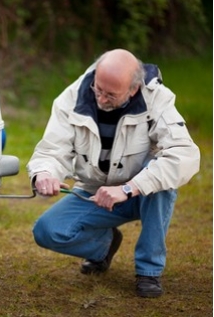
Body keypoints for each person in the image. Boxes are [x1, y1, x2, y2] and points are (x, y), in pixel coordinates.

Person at [26, 49, 200, 298]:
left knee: (162, 183)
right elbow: (52, 149)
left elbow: (185, 155)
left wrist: (129, 188)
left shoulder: (157, 99)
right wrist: (44, 172)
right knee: (47, 231)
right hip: (93, 192)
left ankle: (148, 271)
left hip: (142, 192)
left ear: (133, 89)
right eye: (98, 89)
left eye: (110, 95)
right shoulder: (70, 98)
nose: (101, 98)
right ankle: (104, 247)